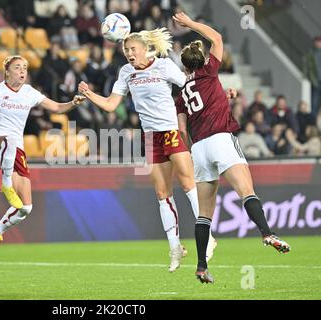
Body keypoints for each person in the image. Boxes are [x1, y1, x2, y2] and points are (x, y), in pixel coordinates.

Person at [78, 27, 217, 272]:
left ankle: (208, 239)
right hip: (151, 137)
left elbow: (189, 86)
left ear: (145, 49)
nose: (129, 53)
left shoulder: (163, 66)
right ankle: (175, 248)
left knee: (187, 183)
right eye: (126, 50)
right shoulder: (126, 72)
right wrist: (89, 94)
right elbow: (111, 105)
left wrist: (216, 97)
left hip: (171, 131)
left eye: (133, 49)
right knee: (162, 193)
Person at [173, 12, 290, 284]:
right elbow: (216, 37)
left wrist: (222, 99)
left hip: (199, 148)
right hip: (221, 139)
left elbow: (182, 128)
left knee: (204, 214)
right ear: (202, 61)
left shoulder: (181, 94)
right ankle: (266, 233)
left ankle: (201, 266)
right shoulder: (209, 70)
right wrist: (189, 23)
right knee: (246, 191)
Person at [0, 55, 84, 254]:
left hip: (15, 152)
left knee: (26, 208)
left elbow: (58, 108)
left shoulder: (29, 93)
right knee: (10, 138)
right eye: (17, 67)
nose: (23, 71)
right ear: (7, 71)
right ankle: (6, 185)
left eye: (24, 67)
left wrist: (73, 103)